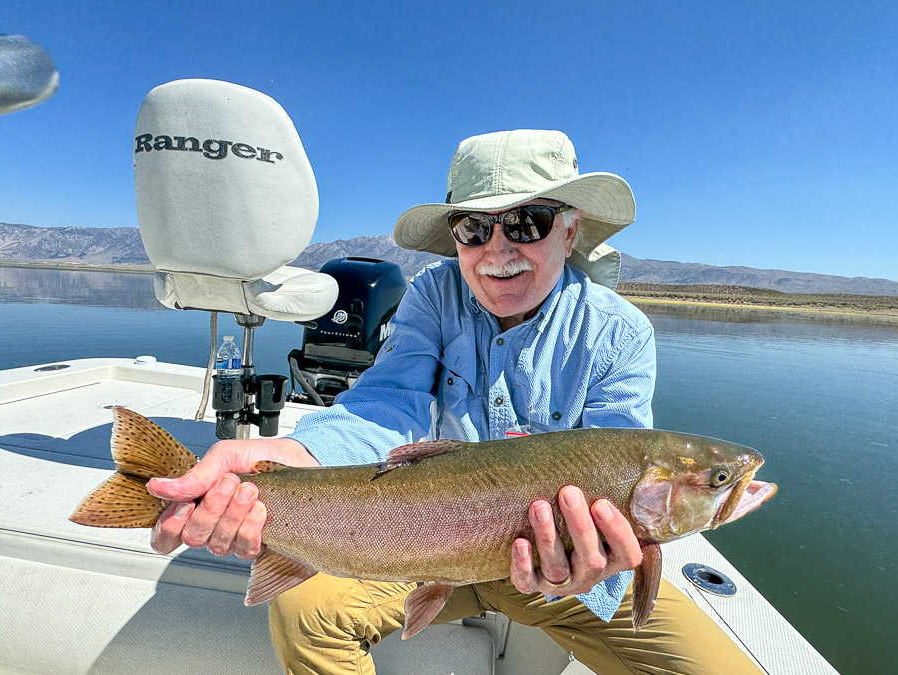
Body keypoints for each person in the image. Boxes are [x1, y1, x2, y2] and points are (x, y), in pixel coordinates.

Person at [147, 130, 762, 675]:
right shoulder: (431, 296)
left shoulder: (620, 332)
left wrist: (600, 554)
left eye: (527, 223)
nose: (498, 249)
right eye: (474, 228)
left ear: (571, 230)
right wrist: (277, 455)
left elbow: (617, 460)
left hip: (569, 569)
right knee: (307, 614)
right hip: (424, 545)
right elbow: (386, 407)